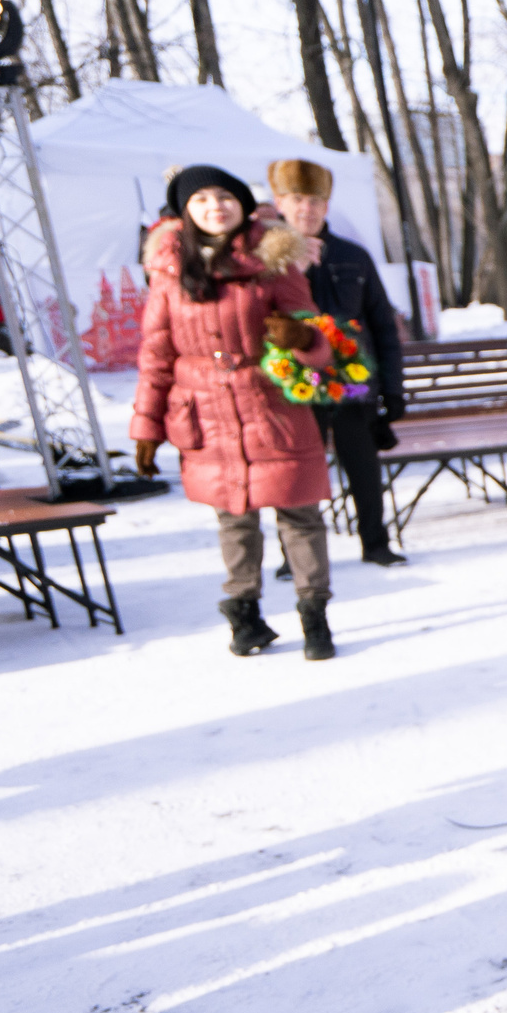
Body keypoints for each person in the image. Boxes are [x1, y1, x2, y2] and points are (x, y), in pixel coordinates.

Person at [129, 165, 340, 661]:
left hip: (273, 406)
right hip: (205, 412)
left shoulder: (274, 259)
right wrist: (147, 426)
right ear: (185, 212)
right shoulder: (168, 271)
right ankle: (244, 617)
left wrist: (303, 338)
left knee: (300, 515)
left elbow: (320, 339)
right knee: (234, 519)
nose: (214, 207)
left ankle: (315, 616)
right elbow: (156, 353)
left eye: (224, 196)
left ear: (243, 205)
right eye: (200, 199)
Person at [269, 158, 407, 568]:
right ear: (280, 202)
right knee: (296, 473)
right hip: (294, 385)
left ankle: (376, 542)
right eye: (297, 200)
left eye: (315, 201)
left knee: (363, 466)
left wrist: (394, 388)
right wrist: (293, 270)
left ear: (326, 206)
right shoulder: (267, 262)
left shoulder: (353, 256)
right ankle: (293, 555)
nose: (306, 209)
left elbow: (383, 324)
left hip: (350, 381)